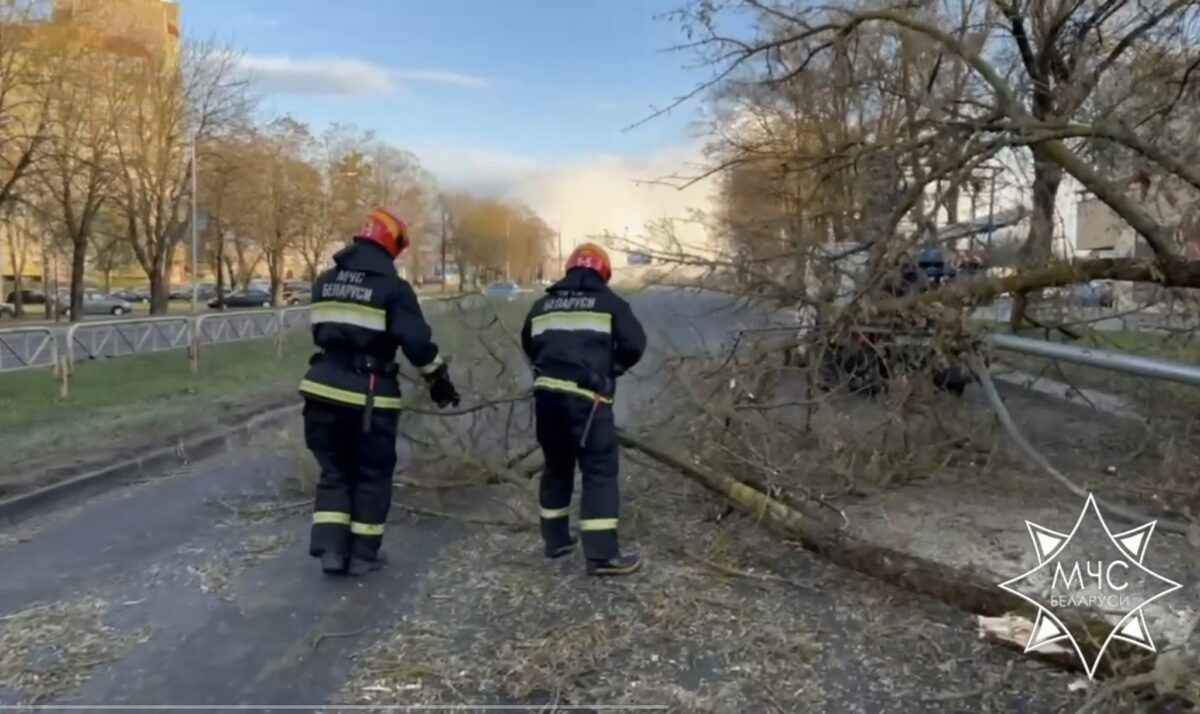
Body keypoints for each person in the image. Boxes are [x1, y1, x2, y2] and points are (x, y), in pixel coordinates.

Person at [300, 208, 460, 576]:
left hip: (320, 389)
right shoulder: (393, 289)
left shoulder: (325, 281)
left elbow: (323, 333)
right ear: (392, 246)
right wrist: (438, 380)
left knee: (334, 470)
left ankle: (331, 550)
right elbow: (417, 343)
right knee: (371, 474)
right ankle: (362, 556)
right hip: (369, 397)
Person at [520, 243, 647, 576]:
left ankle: (556, 542)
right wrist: (612, 369)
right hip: (588, 401)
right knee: (599, 472)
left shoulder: (542, 305)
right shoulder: (610, 304)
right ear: (603, 272)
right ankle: (602, 555)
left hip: (546, 398)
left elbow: (529, 344)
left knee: (557, 467)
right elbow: (635, 344)